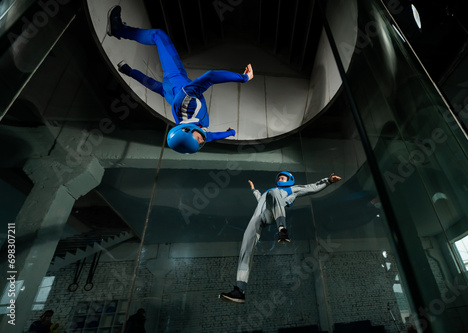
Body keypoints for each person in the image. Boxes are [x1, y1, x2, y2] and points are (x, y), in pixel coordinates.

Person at [106, 5, 254, 154]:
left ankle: (118, 30)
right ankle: (127, 65)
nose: (202, 141)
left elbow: (211, 76)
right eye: (199, 143)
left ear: (187, 130)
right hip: (170, 92)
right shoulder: (196, 131)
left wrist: (244, 78)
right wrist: (230, 133)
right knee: (158, 88)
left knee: (159, 35)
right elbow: (211, 136)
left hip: (175, 77)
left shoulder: (186, 102)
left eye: (198, 140)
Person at [220, 171, 342, 303]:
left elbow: (311, 187)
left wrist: (328, 181)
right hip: (258, 217)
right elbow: (260, 198)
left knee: (274, 193)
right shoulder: (270, 191)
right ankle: (239, 290)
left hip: (273, 214)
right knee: (245, 249)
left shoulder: (292, 189)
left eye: (282, 177)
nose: (280, 179)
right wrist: (254, 190)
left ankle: (282, 229)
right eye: (279, 178)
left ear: (289, 179)